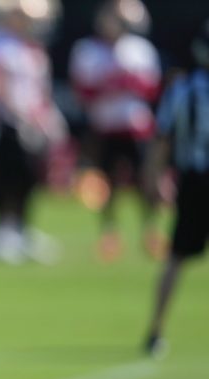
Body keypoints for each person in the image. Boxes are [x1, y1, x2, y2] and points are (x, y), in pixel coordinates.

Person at [69, 0, 164, 262]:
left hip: (136, 126)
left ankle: (151, 230)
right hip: (105, 126)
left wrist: (127, 82)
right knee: (106, 184)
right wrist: (113, 83)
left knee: (146, 182)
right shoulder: (88, 50)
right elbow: (83, 91)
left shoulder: (140, 50)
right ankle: (109, 235)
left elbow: (152, 89)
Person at [0, 0, 66, 264]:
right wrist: (17, 116)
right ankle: (3, 229)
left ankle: (22, 227)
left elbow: (40, 89)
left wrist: (46, 118)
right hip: (5, 123)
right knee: (5, 176)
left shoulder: (34, 49)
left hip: (31, 123)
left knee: (30, 177)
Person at [142, 20, 209, 357]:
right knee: (176, 256)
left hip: (194, 181)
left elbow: (161, 141)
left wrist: (154, 177)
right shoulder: (183, 90)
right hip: (195, 179)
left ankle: (155, 330)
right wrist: (155, 178)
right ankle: (155, 329)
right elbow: (163, 139)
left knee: (176, 257)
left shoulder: (183, 89)